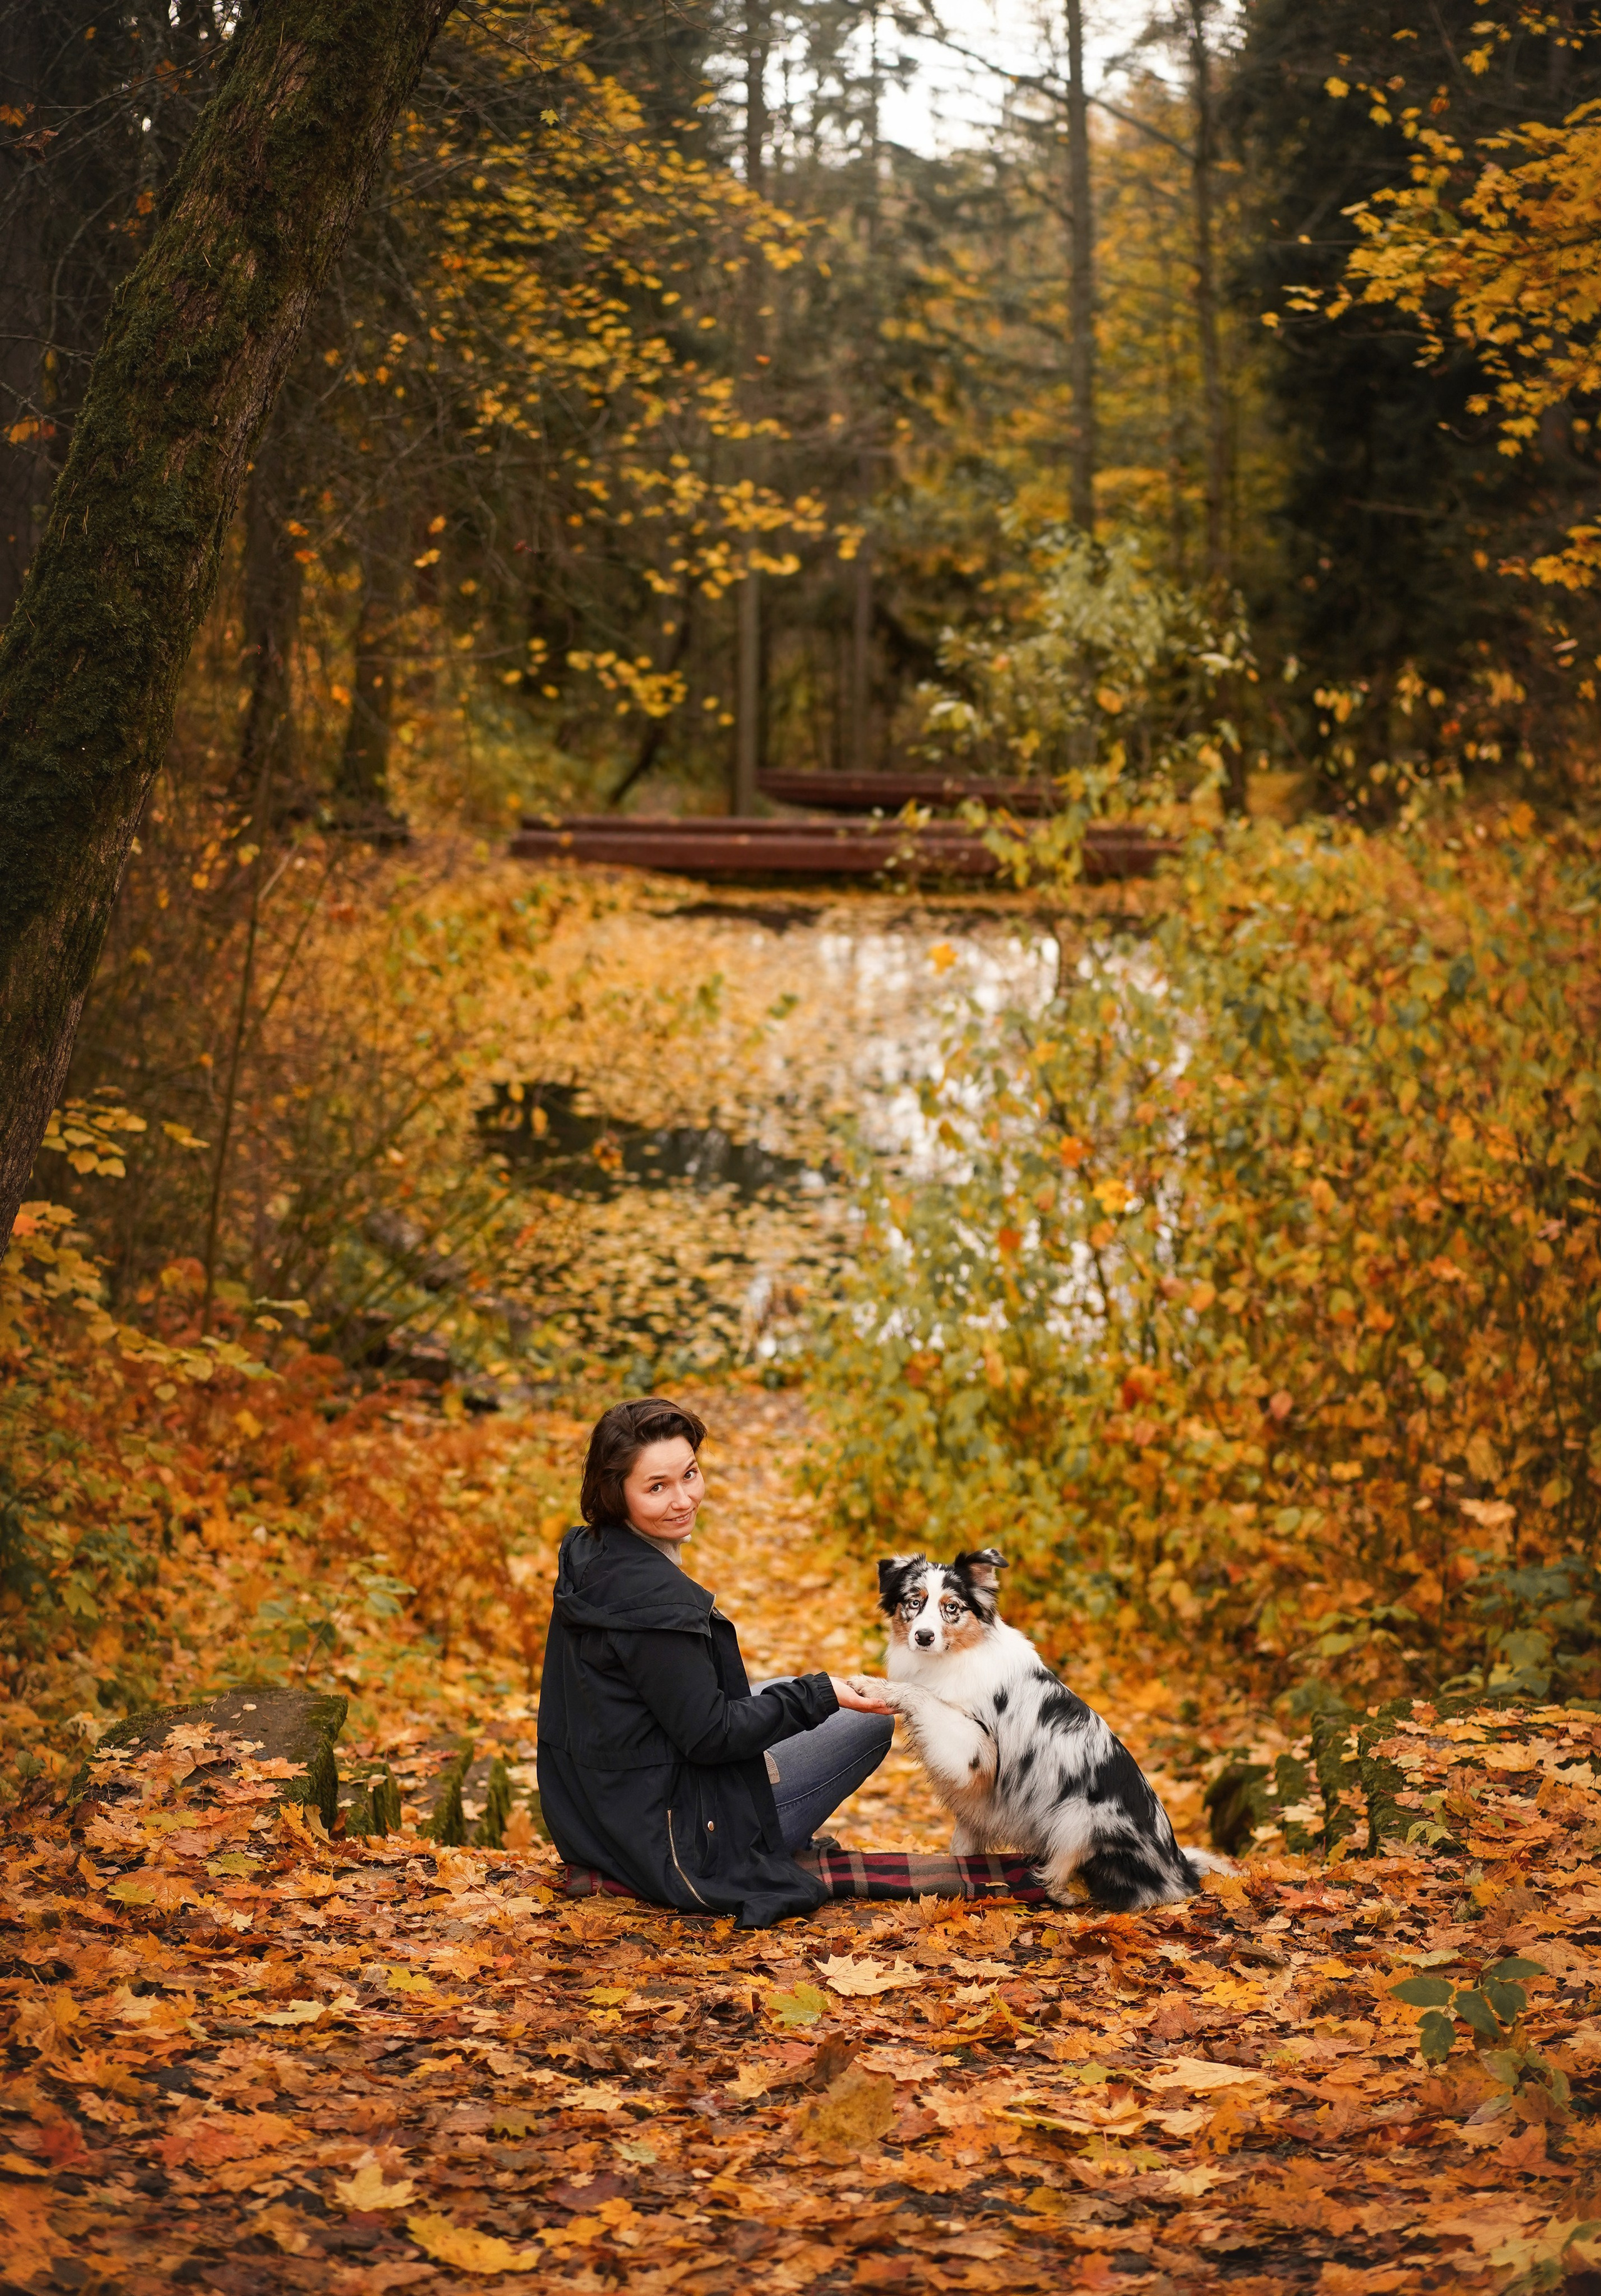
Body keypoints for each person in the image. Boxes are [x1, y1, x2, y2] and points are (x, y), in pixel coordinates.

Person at [536, 1397, 895, 1926]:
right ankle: (757, 1836)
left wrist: (805, 1693)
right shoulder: (654, 1603)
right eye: (657, 1487)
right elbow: (712, 1735)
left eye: (689, 1474)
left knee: (783, 1688)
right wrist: (819, 1694)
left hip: (597, 1814)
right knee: (861, 1724)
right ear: (616, 1492)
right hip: (674, 1841)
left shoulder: (591, 1554)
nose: (683, 1499)